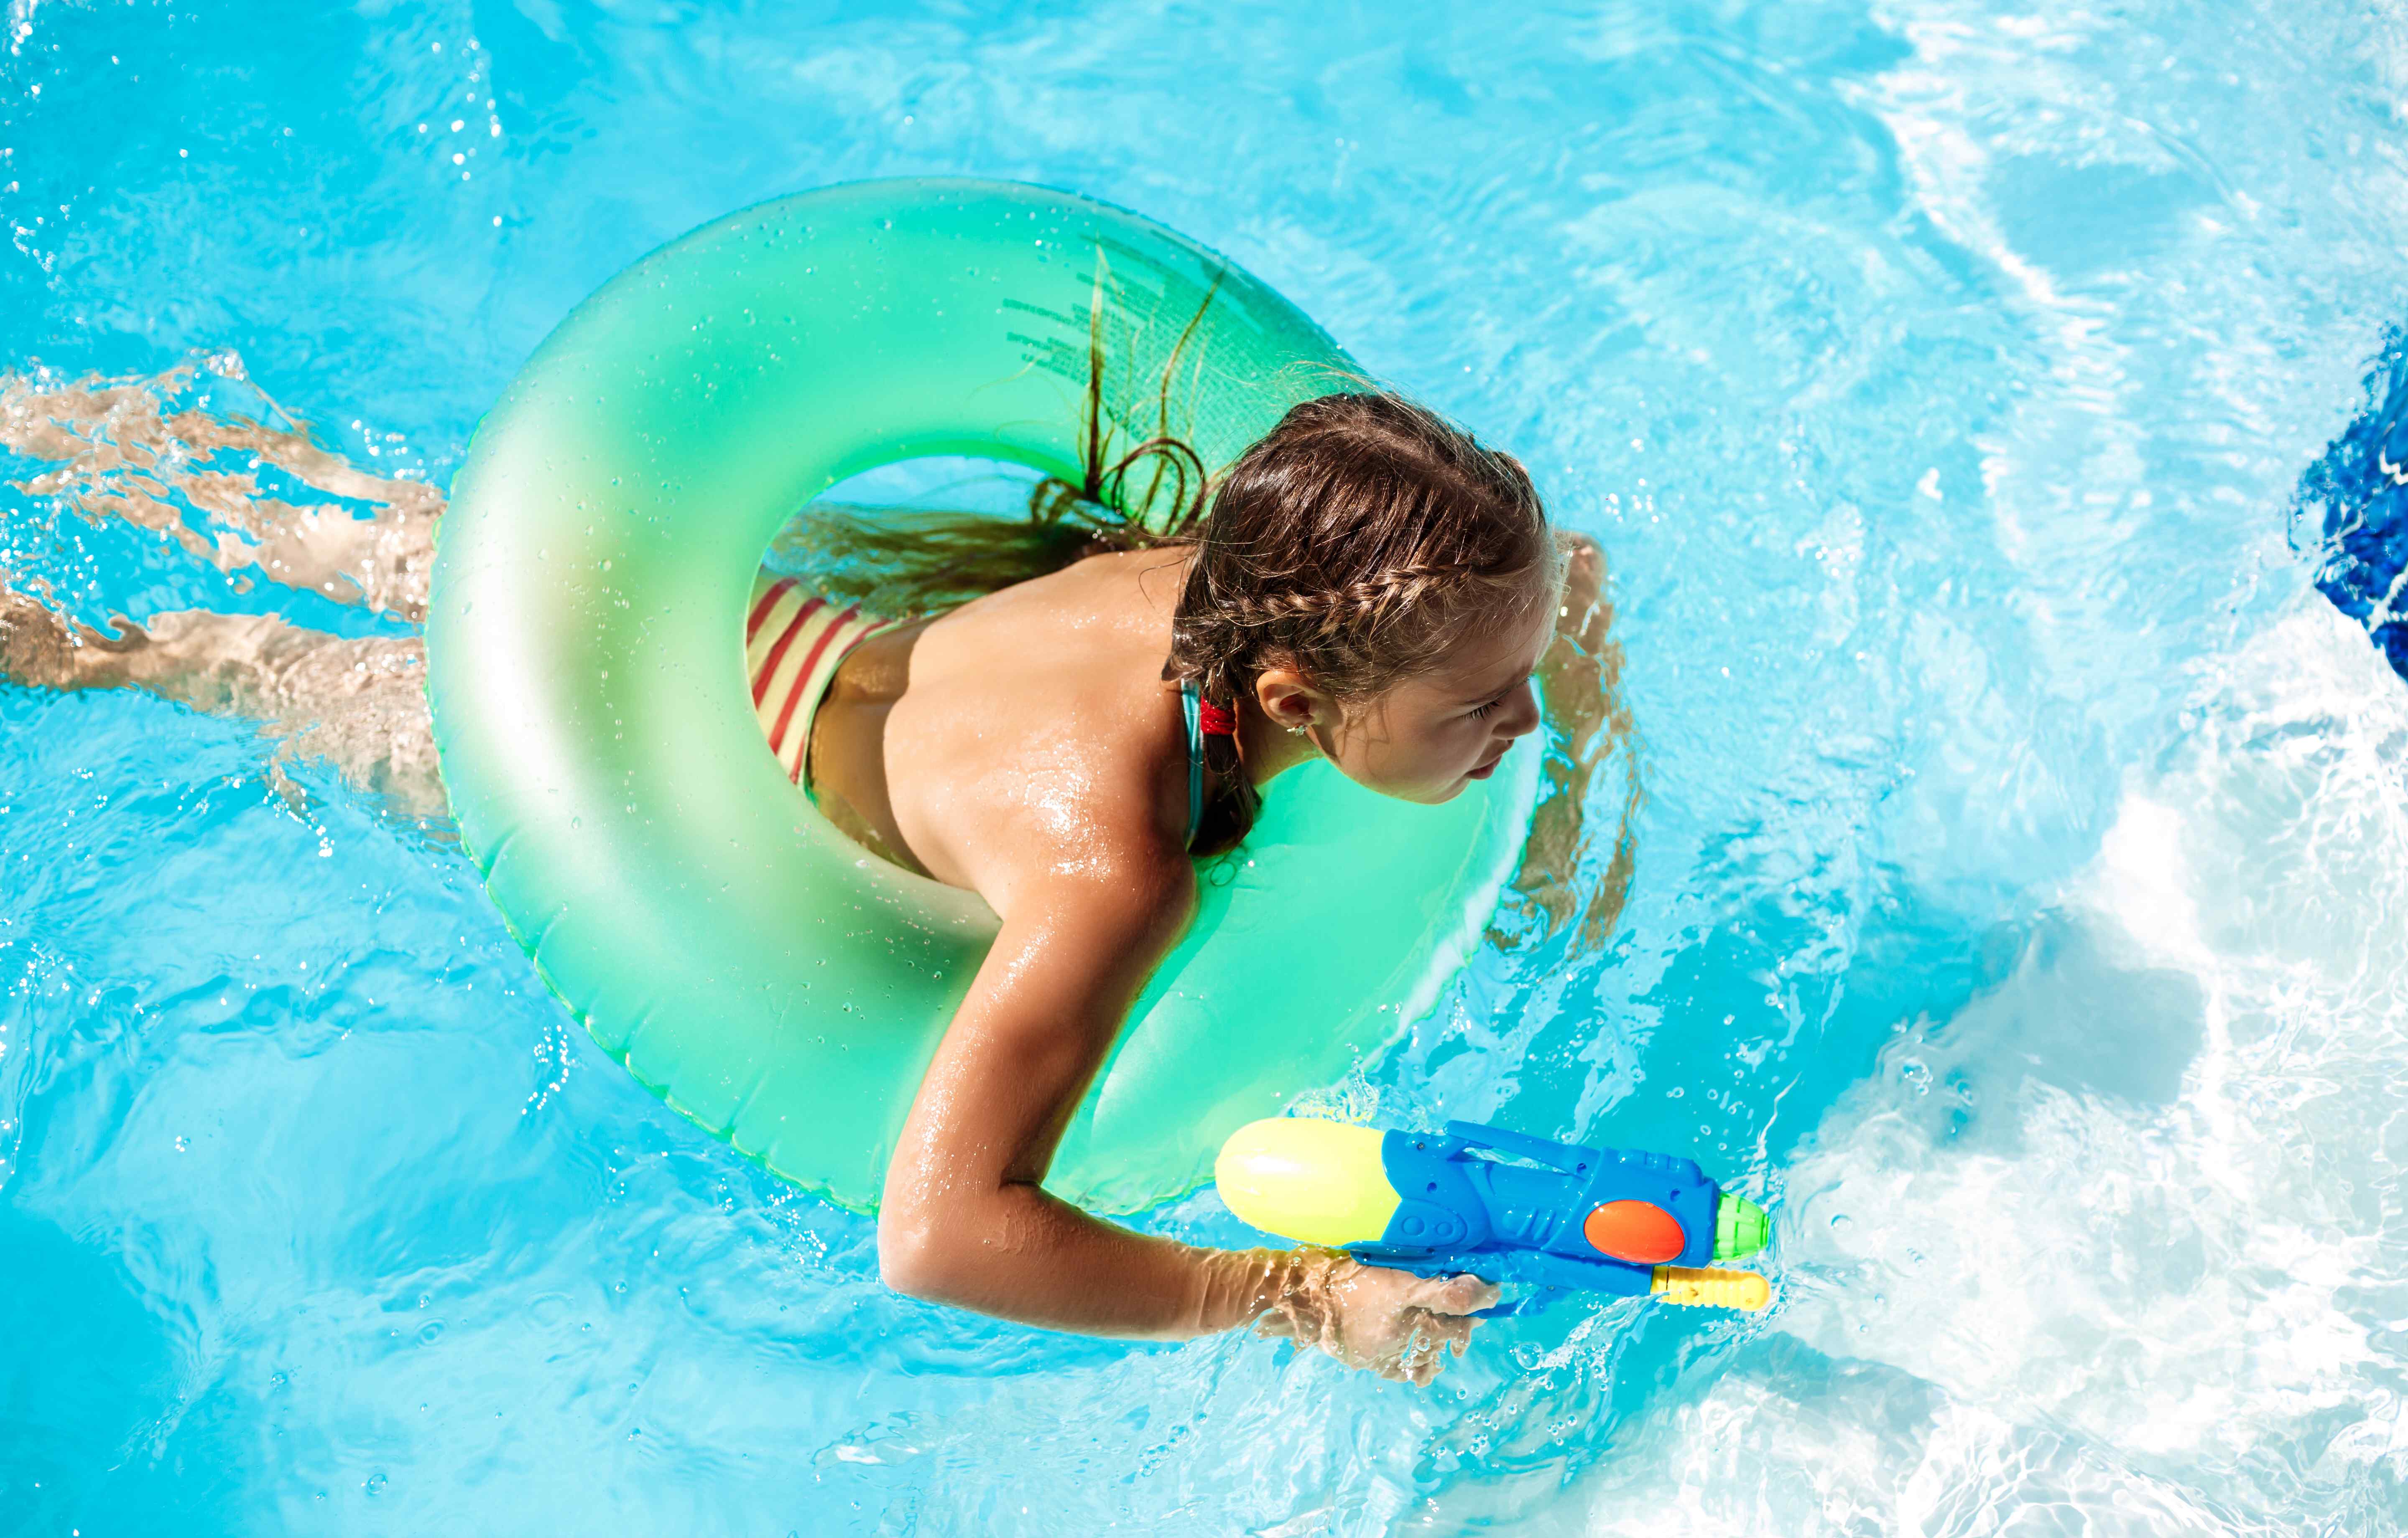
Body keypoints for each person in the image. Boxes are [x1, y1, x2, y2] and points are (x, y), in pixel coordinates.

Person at [1, 375, 1629, 1385]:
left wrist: (1559, 740)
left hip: (755, 630)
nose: (1520, 719)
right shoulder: (1114, 863)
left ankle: (49, 419)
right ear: (1291, 703)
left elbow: (1486, 597)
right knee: (183, 663)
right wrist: (1294, 1299)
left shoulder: (1232, 566)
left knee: (333, 523)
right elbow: (941, 1236)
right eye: (1482, 705)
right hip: (637, 784)